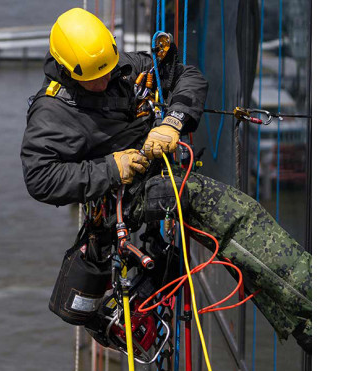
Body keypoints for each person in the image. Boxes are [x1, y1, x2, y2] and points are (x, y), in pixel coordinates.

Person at [21, 7, 311, 352]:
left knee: (238, 252)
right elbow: (40, 178)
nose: (103, 81)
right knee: (225, 210)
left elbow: (187, 76)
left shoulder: (121, 68)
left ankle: (304, 324)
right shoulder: (53, 112)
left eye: (107, 71)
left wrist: (172, 120)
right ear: (68, 72)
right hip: (122, 194)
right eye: (93, 79)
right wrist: (113, 168)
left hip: (154, 169)